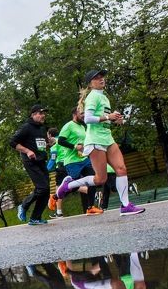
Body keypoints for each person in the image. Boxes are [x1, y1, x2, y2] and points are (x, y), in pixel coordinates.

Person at [55, 69, 145, 215]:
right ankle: (68, 185)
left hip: (107, 138)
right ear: (91, 84)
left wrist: (116, 120)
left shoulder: (104, 97)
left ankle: (126, 205)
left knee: (121, 169)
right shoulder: (93, 97)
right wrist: (108, 117)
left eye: (102, 76)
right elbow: (88, 118)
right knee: (100, 179)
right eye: (96, 78)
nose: (101, 79)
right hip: (95, 140)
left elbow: (104, 119)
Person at [49, 107, 101, 216]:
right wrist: (74, 146)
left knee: (93, 180)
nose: (83, 115)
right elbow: (61, 141)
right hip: (72, 161)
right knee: (74, 186)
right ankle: (55, 196)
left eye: (84, 113)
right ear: (74, 114)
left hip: (84, 158)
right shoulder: (68, 126)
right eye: (81, 113)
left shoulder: (83, 126)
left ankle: (90, 207)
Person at [12, 104, 51, 225]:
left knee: (46, 190)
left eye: (44, 113)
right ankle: (23, 206)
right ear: (33, 114)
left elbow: (40, 144)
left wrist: (49, 143)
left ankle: (35, 217)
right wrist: (28, 151)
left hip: (41, 160)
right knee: (42, 187)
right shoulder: (26, 127)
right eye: (40, 113)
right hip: (30, 162)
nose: (43, 115)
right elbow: (12, 142)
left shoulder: (41, 128)